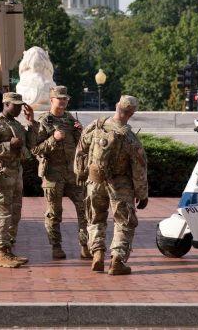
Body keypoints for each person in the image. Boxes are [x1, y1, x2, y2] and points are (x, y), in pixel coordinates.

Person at [74, 95, 148, 275]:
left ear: (116, 106)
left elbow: (81, 151)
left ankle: (98, 253)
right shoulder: (130, 138)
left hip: (95, 181)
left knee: (95, 218)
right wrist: (142, 194)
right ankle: (117, 260)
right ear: (132, 113)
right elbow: (139, 169)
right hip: (120, 185)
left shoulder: (96, 125)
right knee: (124, 222)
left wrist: (81, 174)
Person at [0, 92, 42, 268]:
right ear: (5, 104)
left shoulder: (16, 124)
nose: (18, 108)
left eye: (19, 105)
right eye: (14, 105)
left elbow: (30, 145)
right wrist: (9, 145)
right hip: (3, 172)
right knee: (3, 213)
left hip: (16, 173)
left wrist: (31, 122)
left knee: (15, 214)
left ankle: (9, 250)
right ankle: (1, 253)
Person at [31, 86, 88, 260]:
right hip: (52, 174)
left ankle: (85, 245)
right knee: (54, 213)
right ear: (52, 100)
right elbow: (35, 149)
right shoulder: (43, 121)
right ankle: (56, 246)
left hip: (73, 172)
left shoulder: (70, 120)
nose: (63, 101)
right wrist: (52, 139)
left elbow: (81, 146)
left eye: (65, 98)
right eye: (59, 98)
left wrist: (81, 132)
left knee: (84, 209)